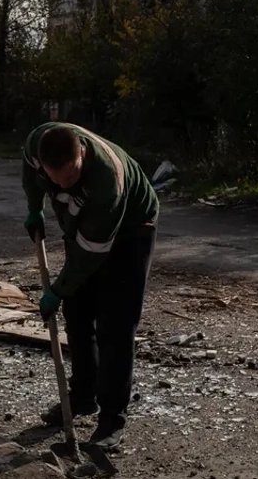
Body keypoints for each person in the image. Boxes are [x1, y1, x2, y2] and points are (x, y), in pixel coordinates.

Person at [22, 122, 159, 450]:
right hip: (85, 227)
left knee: (115, 324)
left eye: (71, 176)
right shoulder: (36, 145)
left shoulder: (105, 180)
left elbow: (89, 254)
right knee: (78, 313)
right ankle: (83, 397)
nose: (64, 184)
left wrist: (58, 289)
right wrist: (33, 209)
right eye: (57, 180)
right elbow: (30, 175)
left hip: (130, 229)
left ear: (81, 153)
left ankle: (112, 422)